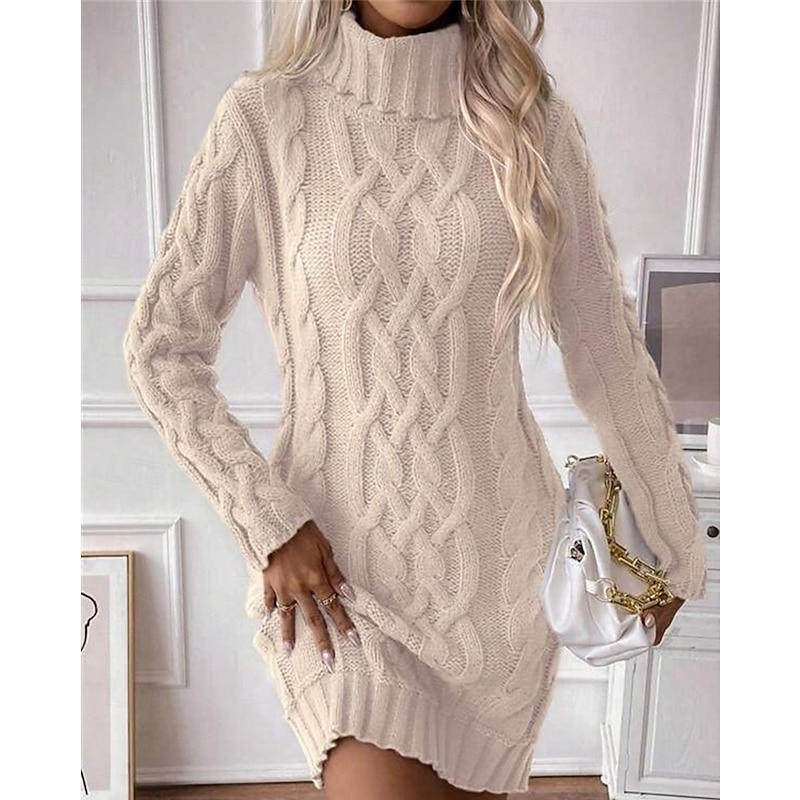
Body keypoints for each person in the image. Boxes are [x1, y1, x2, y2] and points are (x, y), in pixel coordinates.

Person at [122, 1, 707, 798]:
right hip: (339, 583)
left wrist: (675, 549)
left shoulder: (532, 126)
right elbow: (161, 349)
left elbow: (605, 351)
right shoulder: (265, 118)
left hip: (497, 583)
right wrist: (270, 523)